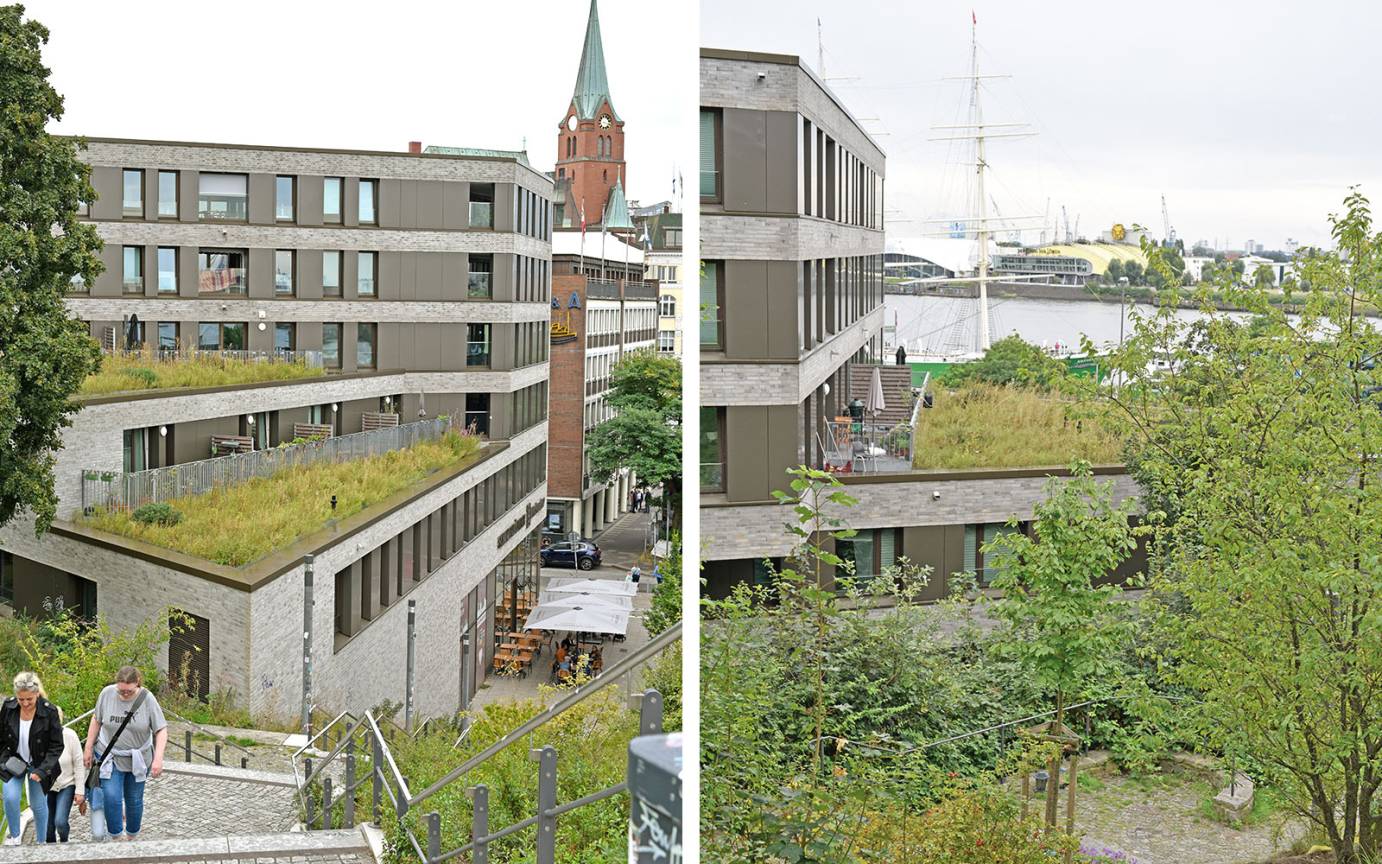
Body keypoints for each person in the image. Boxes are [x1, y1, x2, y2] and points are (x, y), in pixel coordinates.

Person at [84, 666, 168, 842]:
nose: (124, 695)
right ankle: (116, 837)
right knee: (111, 796)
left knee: (134, 799)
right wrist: (88, 747)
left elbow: (161, 729)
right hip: (109, 756)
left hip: (138, 759)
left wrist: (158, 758)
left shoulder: (147, 699)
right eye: (121, 690)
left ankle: (132, 836)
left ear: (137, 683)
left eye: (129, 691)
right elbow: (96, 719)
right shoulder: (107, 694)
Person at [1, 671, 63, 847]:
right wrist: (4, 761)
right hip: (13, 762)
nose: (25, 703)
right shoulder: (8, 707)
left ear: (37, 693)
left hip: (40, 764)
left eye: (29, 699)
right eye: (21, 699)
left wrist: (42, 770)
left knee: (38, 803)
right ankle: (14, 838)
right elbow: (0, 738)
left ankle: (41, 842)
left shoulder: (49, 710)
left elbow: (57, 745)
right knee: (10, 797)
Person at [46, 707, 86, 843]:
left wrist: (80, 791)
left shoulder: (70, 736)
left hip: (67, 785)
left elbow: (79, 765)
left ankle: (64, 843)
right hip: (46, 788)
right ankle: (50, 855)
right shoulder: (38, 738)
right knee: (47, 828)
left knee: (60, 822)